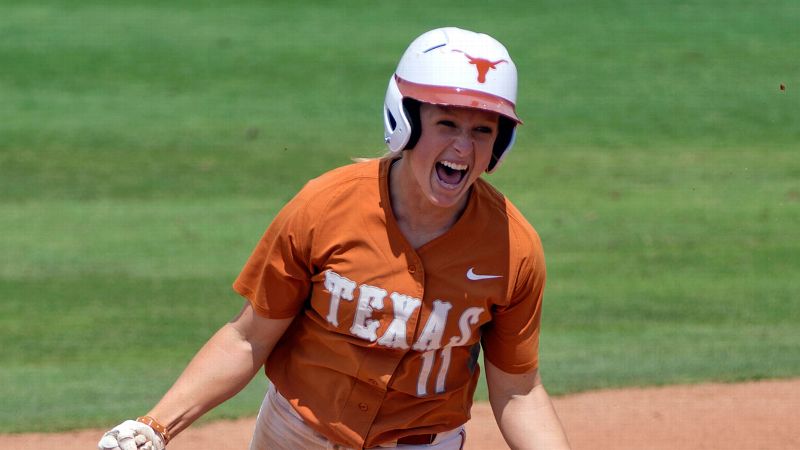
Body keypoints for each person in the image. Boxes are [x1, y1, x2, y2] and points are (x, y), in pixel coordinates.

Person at [98, 27, 571, 450]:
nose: (463, 147)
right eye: (447, 124)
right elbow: (248, 339)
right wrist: (155, 427)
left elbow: (519, 390)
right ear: (406, 120)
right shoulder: (325, 207)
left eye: (482, 131)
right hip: (293, 435)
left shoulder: (513, 249)